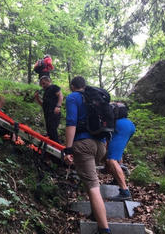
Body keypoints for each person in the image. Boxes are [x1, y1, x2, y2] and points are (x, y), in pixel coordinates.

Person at [63, 76, 111, 234]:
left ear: (72, 86)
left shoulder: (73, 97)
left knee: (93, 186)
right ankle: (94, 215)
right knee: (90, 180)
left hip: (83, 145)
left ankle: (104, 229)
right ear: (84, 85)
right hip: (100, 145)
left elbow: (71, 122)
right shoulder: (94, 98)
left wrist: (68, 149)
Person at [106, 102, 135, 201]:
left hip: (121, 126)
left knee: (111, 160)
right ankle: (116, 179)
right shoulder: (118, 105)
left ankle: (124, 191)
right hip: (128, 124)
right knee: (116, 154)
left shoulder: (109, 106)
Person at [34, 76, 63, 143]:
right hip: (47, 114)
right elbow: (43, 105)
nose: (42, 85)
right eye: (41, 84)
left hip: (54, 112)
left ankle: (57, 147)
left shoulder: (53, 87)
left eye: (43, 83)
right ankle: (52, 146)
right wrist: (37, 98)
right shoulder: (45, 92)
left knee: (52, 130)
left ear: (48, 81)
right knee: (49, 131)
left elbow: (60, 95)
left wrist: (58, 106)